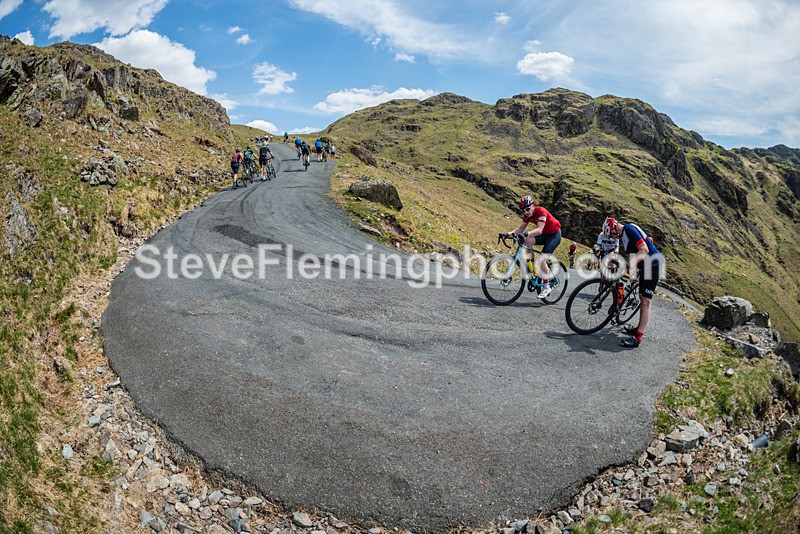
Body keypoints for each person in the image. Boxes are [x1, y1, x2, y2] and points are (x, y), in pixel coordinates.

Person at [603, 217, 662, 348]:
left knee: (646, 301)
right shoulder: (624, 235)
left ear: (613, 229)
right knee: (640, 296)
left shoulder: (629, 229)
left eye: (612, 235)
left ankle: (638, 337)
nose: (614, 238)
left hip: (653, 265)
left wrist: (631, 264)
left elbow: (644, 249)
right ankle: (637, 328)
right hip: (644, 265)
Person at [507, 195, 562, 299]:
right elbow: (519, 230)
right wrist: (507, 234)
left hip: (554, 235)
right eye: (523, 210)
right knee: (527, 241)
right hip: (544, 235)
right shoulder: (527, 215)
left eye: (527, 209)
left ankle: (546, 286)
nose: (526, 212)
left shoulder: (541, 211)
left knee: (542, 260)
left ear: (532, 206)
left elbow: (540, 230)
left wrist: (526, 233)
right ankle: (532, 269)